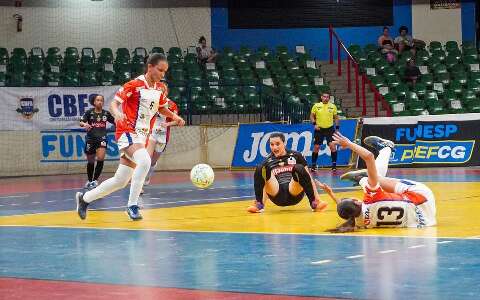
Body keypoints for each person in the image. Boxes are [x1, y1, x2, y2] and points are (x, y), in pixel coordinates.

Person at [75, 53, 185, 221]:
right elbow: (113, 103)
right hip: (127, 131)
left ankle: (84, 199)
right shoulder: (134, 85)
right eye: (160, 70)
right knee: (146, 161)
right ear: (150, 67)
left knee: (120, 180)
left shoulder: (159, 89)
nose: (163, 74)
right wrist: (117, 113)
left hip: (142, 136)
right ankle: (132, 205)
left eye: (165, 71)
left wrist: (174, 117)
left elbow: (162, 108)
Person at [316, 133, 436, 232]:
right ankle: (385, 149)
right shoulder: (370, 197)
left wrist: (331, 194)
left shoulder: (360, 223)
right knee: (376, 178)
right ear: (357, 202)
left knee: (374, 181)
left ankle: (363, 178)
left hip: (426, 219)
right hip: (422, 197)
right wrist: (349, 144)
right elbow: (369, 157)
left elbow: (347, 211)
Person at [247, 132, 328, 213]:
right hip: (277, 194)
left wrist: (317, 198)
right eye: (272, 144)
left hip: (294, 191)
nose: (274, 147)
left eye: (277, 144)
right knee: (260, 168)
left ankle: (314, 203)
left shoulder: (297, 155)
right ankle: (259, 205)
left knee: (299, 167)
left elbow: (308, 177)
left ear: (284, 143)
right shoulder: (267, 160)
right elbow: (265, 184)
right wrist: (262, 203)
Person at [79, 95, 115, 189]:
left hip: (102, 139)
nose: (100, 102)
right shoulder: (89, 112)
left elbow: (116, 121)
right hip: (90, 139)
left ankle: (95, 181)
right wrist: (85, 124)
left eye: (101, 100)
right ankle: (90, 180)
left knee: (100, 158)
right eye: (98, 100)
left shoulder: (106, 114)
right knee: (90, 161)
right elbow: (81, 122)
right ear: (94, 102)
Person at [144, 98, 180, 186]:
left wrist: (167, 124)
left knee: (153, 161)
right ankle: (140, 182)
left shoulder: (171, 105)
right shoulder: (151, 101)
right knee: (147, 158)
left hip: (163, 134)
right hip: (151, 132)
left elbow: (177, 120)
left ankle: (148, 175)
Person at [309, 92, 340, 171]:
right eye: (324, 97)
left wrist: (337, 128)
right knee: (316, 147)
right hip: (319, 129)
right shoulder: (316, 106)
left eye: (327, 97)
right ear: (321, 97)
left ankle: (334, 165)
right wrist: (314, 124)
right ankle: (313, 165)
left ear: (329, 98)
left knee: (332, 146)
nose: (326, 98)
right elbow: (312, 116)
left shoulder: (333, 106)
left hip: (330, 129)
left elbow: (336, 118)